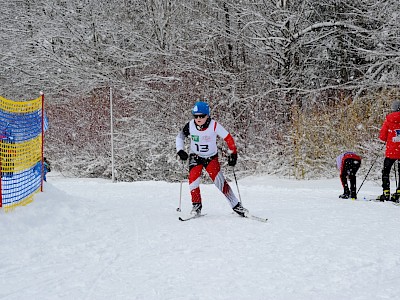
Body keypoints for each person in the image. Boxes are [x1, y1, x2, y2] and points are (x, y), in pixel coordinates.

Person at [175, 101, 248, 217]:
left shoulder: (214, 125)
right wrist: (180, 150)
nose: (198, 119)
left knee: (220, 182)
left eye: (202, 116)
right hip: (196, 157)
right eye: (196, 116)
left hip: (211, 158)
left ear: (207, 116)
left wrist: (233, 153)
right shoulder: (190, 125)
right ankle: (196, 206)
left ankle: (237, 206)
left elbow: (228, 138)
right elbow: (180, 137)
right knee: (193, 181)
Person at [377, 99, 400, 202]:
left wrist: (390, 138)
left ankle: (386, 192)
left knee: (386, 171)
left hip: (391, 151)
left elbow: (382, 136)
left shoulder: (389, 120)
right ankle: (399, 192)